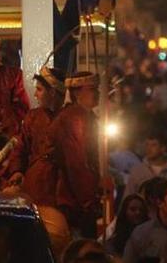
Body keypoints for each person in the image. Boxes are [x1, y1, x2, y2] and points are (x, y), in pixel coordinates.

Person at [50, 72, 101, 237]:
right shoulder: (74, 117)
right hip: (72, 197)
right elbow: (76, 162)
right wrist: (87, 198)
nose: (97, 93)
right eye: (92, 89)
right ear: (77, 93)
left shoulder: (85, 116)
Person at [6, 66, 65, 205]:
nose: (35, 95)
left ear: (53, 92)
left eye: (39, 90)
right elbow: (20, 148)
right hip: (35, 184)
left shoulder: (68, 118)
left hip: (60, 188)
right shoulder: (32, 117)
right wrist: (17, 171)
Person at [123, 132, 167, 202]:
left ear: (163, 148)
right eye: (147, 145)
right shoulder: (137, 171)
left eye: (153, 145)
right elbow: (128, 198)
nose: (148, 148)